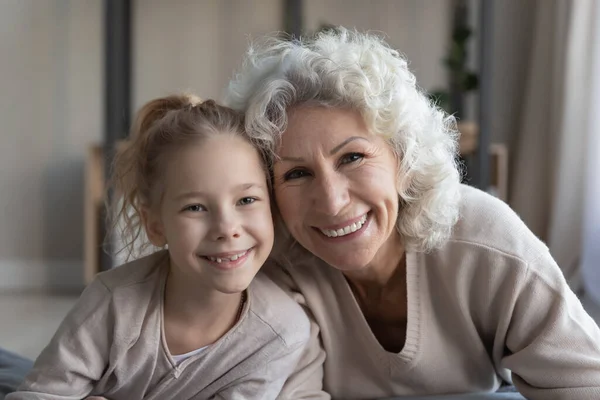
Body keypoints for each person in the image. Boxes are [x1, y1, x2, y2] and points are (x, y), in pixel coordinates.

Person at [225, 27, 600, 399]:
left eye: (352, 157)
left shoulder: (484, 236)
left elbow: (587, 383)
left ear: (403, 156)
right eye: (296, 173)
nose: (332, 202)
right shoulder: (271, 267)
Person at [7, 96, 310, 400]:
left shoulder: (280, 333)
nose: (226, 228)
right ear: (155, 225)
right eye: (195, 207)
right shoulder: (114, 302)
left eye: (246, 200)